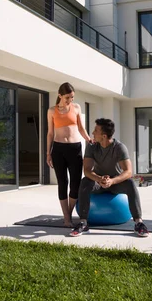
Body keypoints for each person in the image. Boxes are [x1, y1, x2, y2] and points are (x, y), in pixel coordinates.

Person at [70, 118, 149, 238]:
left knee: (130, 183)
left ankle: (139, 223)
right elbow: (87, 170)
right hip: (98, 182)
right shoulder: (92, 146)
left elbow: (128, 172)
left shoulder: (119, 147)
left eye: (96, 131)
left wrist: (112, 181)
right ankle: (83, 223)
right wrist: (99, 179)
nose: (92, 133)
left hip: (115, 183)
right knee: (85, 181)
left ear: (104, 136)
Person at [47, 82, 92, 227]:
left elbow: (80, 128)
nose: (70, 100)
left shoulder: (77, 108)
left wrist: (88, 139)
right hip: (58, 150)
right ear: (60, 95)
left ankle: (69, 212)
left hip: (75, 148)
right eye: (67, 97)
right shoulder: (52, 111)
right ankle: (67, 218)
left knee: (75, 184)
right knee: (62, 183)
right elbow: (50, 133)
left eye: (72, 97)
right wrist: (48, 153)